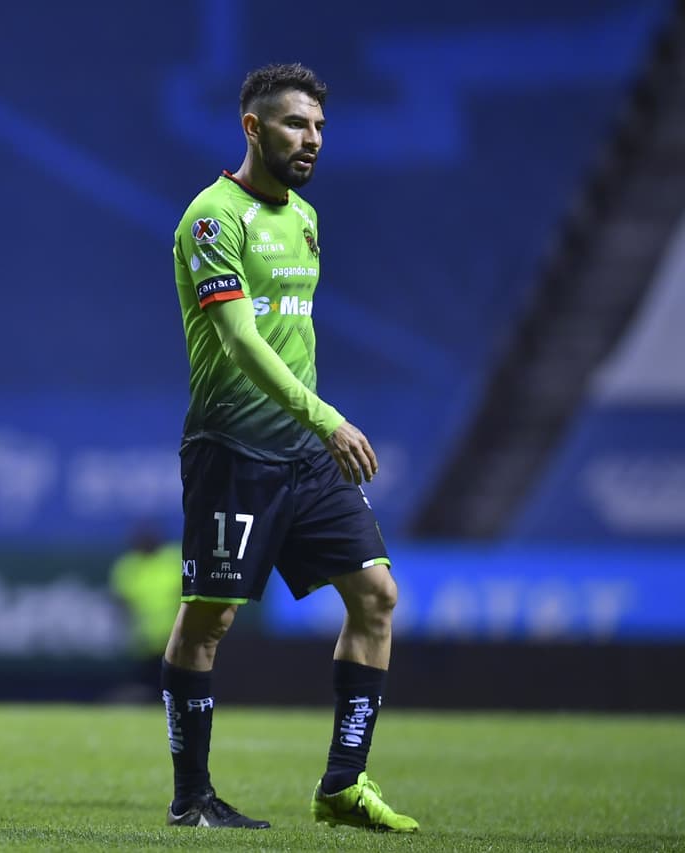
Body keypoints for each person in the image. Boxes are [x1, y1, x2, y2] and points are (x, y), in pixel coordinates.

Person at [161, 63, 418, 833]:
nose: (309, 140)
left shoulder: (305, 219)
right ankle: (192, 797)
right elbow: (239, 340)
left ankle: (342, 784)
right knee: (209, 620)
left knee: (376, 596)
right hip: (233, 450)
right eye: (294, 125)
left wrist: (316, 428)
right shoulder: (212, 217)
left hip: (307, 454)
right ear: (252, 127)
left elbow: (291, 337)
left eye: (317, 128)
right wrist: (327, 417)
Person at [107, 521, 183, 700]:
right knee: (148, 685)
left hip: (174, 638)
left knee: (175, 683)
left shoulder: (174, 559)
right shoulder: (128, 566)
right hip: (144, 641)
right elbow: (121, 602)